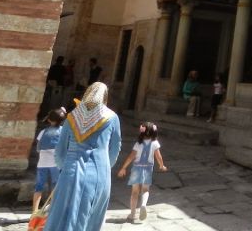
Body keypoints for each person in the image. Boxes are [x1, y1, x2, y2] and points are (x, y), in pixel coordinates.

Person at [44, 82, 121, 231]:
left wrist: (64, 168)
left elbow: (60, 151)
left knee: (61, 214)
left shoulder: (72, 117)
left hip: (70, 171)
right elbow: (115, 149)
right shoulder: (112, 117)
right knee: (91, 217)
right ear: (105, 97)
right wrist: (106, 167)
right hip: (99, 173)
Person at [117, 122, 167, 223]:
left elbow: (131, 156)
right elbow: (158, 156)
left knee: (134, 192)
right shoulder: (155, 143)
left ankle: (132, 214)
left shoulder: (138, 144)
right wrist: (162, 165)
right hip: (148, 168)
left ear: (141, 132)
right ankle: (143, 205)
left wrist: (123, 167)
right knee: (145, 189)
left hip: (136, 168)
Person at [32, 108, 66, 213]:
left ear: (49, 120)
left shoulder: (43, 132)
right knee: (55, 186)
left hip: (42, 164)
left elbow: (38, 148)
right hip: (56, 164)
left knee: (38, 187)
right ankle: (52, 210)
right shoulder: (63, 132)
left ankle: (34, 211)